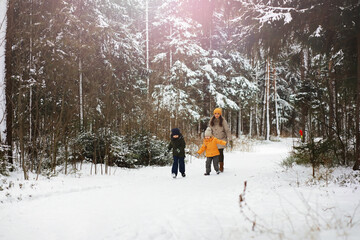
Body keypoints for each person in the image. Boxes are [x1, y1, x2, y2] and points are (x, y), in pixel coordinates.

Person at [209, 108, 232, 172]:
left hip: (222, 139)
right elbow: (209, 129)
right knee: (215, 153)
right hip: (214, 139)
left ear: (220, 114)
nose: (216, 115)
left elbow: (227, 130)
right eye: (215, 113)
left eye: (218, 113)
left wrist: (230, 139)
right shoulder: (211, 120)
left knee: (220, 152)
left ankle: (221, 166)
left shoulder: (223, 121)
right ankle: (217, 166)